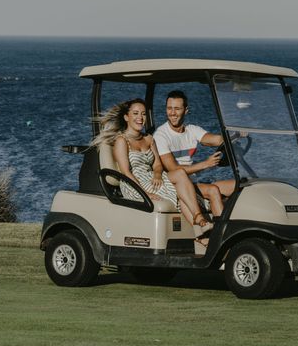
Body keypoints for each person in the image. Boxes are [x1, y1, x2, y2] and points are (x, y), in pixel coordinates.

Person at [92, 98, 220, 245]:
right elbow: (126, 172)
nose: (140, 118)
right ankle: (201, 231)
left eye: (143, 114)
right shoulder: (122, 141)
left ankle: (199, 223)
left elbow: (157, 165)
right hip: (134, 183)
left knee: (180, 175)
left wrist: (158, 174)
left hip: (152, 178)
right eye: (135, 113)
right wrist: (145, 193)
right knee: (179, 189)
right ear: (127, 117)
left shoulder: (149, 139)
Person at [153, 90, 235, 207]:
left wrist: (235, 135)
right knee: (213, 190)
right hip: (177, 186)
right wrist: (206, 164)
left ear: (186, 110)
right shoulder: (161, 135)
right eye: (169, 108)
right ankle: (219, 224)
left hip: (194, 183)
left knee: (238, 186)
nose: (172, 113)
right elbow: (174, 169)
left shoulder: (191, 130)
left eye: (177, 109)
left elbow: (216, 140)